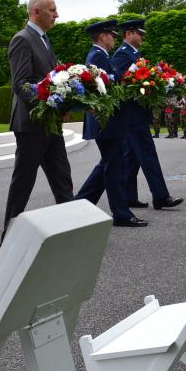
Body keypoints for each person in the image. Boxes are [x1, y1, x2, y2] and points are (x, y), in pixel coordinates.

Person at [3, 0, 73, 239]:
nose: (57, 14)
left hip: (50, 124)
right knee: (23, 183)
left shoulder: (44, 39)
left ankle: (72, 232)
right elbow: (20, 84)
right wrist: (47, 106)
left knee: (63, 179)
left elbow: (49, 81)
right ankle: (8, 237)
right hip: (31, 125)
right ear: (36, 12)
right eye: (52, 10)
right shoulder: (22, 39)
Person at [76, 20, 146, 227]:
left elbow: (113, 80)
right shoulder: (97, 56)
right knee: (114, 168)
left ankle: (79, 205)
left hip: (109, 121)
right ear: (103, 36)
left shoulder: (102, 56)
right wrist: (127, 79)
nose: (115, 39)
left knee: (107, 165)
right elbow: (106, 85)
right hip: (106, 122)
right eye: (112, 35)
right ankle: (121, 214)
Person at [111, 19, 182, 211]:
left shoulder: (134, 54)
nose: (142, 36)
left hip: (136, 115)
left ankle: (128, 197)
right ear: (128, 34)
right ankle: (161, 196)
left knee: (131, 158)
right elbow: (122, 85)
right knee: (148, 155)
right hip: (132, 116)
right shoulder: (121, 55)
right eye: (139, 33)